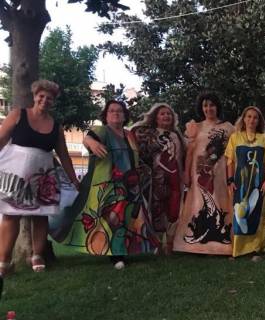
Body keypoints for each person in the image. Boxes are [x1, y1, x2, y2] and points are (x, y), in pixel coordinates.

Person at [50, 100, 159, 269]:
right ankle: (117, 256)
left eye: (119, 111)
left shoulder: (129, 135)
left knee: (129, 219)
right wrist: (91, 143)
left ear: (125, 115)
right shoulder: (101, 131)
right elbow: (88, 139)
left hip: (130, 185)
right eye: (112, 111)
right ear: (106, 115)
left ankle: (128, 250)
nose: (116, 113)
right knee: (114, 220)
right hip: (107, 185)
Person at [0, 79, 79, 274]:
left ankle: (37, 255)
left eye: (49, 98)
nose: (45, 100)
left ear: (53, 101)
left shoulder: (56, 126)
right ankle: (4, 261)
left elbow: (64, 155)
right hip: (15, 174)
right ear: (34, 96)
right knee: (11, 215)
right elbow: (1, 138)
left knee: (41, 215)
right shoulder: (17, 114)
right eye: (41, 96)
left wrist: (74, 179)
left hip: (43, 176)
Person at [173, 93, 235, 255]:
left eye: (212, 105)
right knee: (199, 205)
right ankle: (196, 245)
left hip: (221, 174)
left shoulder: (229, 127)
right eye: (205, 105)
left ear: (217, 107)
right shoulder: (195, 127)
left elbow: (234, 153)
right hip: (198, 174)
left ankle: (219, 244)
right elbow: (190, 152)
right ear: (201, 108)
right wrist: (186, 173)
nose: (208, 108)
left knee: (219, 203)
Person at [131, 103, 185, 254]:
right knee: (157, 209)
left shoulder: (177, 135)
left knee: (174, 209)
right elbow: (138, 151)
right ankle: (158, 244)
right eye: (162, 113)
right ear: (155, 117)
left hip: (175, 178)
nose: (166, 116)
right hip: (155, 178)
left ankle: (171, 243)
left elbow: (182, 157)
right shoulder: (147, 133)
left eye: (169, 113)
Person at [225, 106, 265, 261]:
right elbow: (230, 161)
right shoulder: (235, 137)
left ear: (259, 121)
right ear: (244, 119)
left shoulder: (264, 138)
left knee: (257, 215)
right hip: (240, 184)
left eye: (255, 117)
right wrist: (230, 180)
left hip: (259, 184)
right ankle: (237, 250)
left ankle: (255, 250)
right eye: (249, 116)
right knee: (239, 216)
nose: (252, 120)